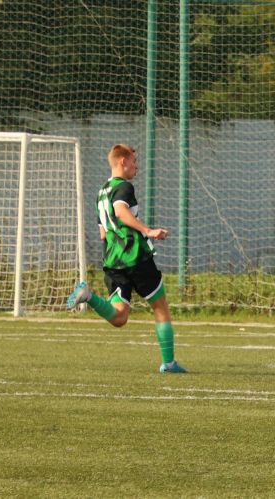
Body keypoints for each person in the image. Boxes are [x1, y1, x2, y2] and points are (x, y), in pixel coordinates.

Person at [66, 144, 186, 374]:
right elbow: (121, 212)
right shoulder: (124, 187)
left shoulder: (102, 192)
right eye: (134, 161)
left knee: (120, 317)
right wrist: (148, 231)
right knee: (160, 306)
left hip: (112, 261)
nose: (136, 166)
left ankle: (88, 296)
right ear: (122, 161)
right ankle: (169, 363)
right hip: (134, 257)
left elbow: (103, 233)